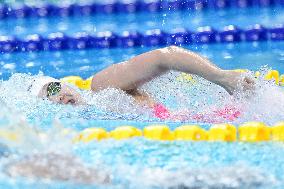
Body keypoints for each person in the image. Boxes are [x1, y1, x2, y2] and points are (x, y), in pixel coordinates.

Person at [28, 46, 254, 120]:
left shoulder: (102, 87)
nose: (56, 97)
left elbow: (164, 56)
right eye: (47, 99)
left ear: (66, 85)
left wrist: (222, 77)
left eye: (54, 87)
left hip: (228, 120)